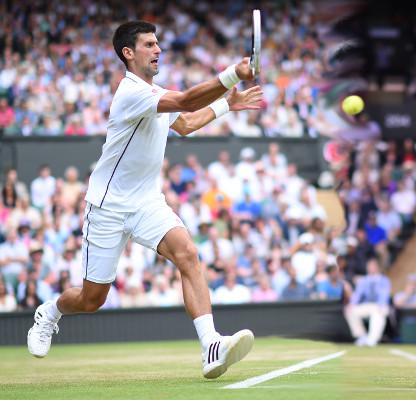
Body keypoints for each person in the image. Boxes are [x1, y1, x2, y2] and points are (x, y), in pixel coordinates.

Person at [27, 21, 263, 380]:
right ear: (128, 53)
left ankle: (210, 345)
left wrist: (227, 105)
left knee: (188, 253)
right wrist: (232, 74)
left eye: (158, 44)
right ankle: (51, 312)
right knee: (92, 300)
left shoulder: (155, 93)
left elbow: (184, 123)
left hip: (147, 202)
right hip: (107, 208)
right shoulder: (130, 93)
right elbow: (184, 101)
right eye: (149, 45)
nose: (158, 50)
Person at [343, 258, 391, 347]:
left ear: (377, 267)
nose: (371, 268)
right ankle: (361, 336)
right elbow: (358, 294)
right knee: (350, 311)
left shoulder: (384, 280)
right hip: (367, 305)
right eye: (369, 266)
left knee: (379, 313)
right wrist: (352, 304)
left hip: (380, 305)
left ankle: (372, 339)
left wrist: (381, 305)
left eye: (373, 266)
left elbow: (384, 295)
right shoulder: (364, 280)